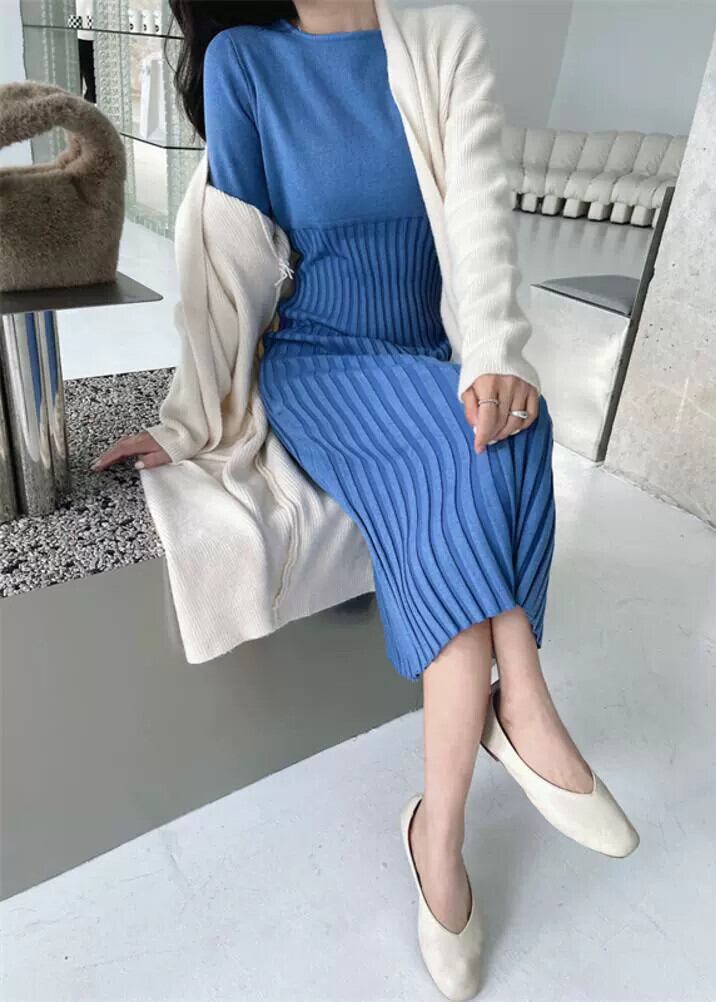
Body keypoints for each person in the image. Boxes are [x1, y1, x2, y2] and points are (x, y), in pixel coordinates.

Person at [93, 3, 638, 998]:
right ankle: (517, 715)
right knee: (474, 456)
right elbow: (230, 267)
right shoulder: (247, 62)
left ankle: (442, 826)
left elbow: (481, 221)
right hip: (321, 361)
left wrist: (495, 356)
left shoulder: (443, 41)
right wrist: (189, 422)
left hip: (426, 350)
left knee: (516, 422)